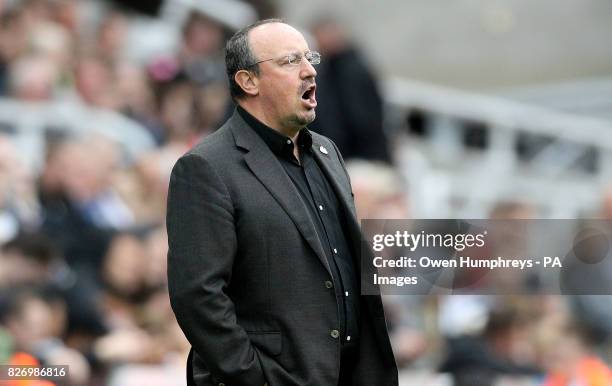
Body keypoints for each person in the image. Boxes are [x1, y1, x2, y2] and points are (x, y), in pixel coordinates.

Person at [166, 19, 398, 386]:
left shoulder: (327, 152)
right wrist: (255, 378)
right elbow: (199, 297)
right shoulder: (206, 167)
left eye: (310, 58)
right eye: (291, 61)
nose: (310, 71)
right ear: (248, 81)